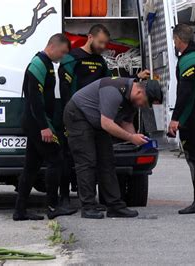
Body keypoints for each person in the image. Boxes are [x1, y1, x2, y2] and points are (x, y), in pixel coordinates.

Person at [58, 24, 150, 206]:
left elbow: (115, 84)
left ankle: (113, 203)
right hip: (77, 114)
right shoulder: (71, 59)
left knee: (105, 159)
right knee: (80, 160)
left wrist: (135, 77)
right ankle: (68, 198)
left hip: (99, 117)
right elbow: (64, 89)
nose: (103, 47)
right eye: (100, 42)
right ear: (90, 37)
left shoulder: (101, 62)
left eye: (105, 43)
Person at [63, 77, 163, 219]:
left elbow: (126, 122)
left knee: (107, 162)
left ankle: (115, 206)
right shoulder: (114, 90)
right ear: (140, 91)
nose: (142, 106)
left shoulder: (132, 100)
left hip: (98, 121)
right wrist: (130, 137)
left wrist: (137, 140)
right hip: (79, 115)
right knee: (87, 162)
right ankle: (88, 207)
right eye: (145, 103)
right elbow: (107, 124)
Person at [13, 33, 77, 221]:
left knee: (31, 167)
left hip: (38, 122)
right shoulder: (38, 64)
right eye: (63, 52)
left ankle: (20, 211)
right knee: (56, 159)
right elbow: (34, 98)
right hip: (36, 122)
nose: (63, 56)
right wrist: (44, 127)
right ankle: (52, 206)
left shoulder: (48, 64)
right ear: (53, 46)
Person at [168, 24, 195, 214]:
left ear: (179, 40)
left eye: (175, 41)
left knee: (194, 158)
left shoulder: (188, 61)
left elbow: (185, 94)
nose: (174, 44)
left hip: (192, 116)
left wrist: (175, 118)